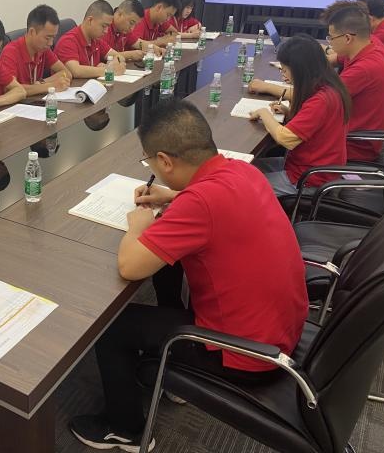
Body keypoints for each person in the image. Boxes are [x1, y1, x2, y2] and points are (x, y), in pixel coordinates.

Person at [69, 100, 307, 452]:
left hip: (246, 354)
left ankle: (126, 429)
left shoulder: (199, 203)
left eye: (149, 162)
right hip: (279, 329)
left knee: (109, 326)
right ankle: (169, 364)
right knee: (170, 262)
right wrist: (172, 196)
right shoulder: (241, 171)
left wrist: (138, 226)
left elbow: (129, 266)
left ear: (165, 161)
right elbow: (208, 205)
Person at [247, 35, 352, 195]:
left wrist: (263, 113)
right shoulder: (327, 86)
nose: (283, 75)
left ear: (300, 70)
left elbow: (285, 139)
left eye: (285, 70)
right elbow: (317, 125)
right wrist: (288, 112)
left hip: (307, 179)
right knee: (244, 168)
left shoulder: (321, 100)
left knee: (241, 186)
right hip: (303, 164)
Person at [318, 0, 384, 161]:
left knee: (287, 131)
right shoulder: (369, 44)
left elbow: (317, 100)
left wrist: (269, 87)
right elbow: (333, 60)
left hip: (350, 146)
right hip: (353, 133)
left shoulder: (364, 69)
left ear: (348, 38)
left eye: (331, 38)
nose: (330, 43)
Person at [0, 4, 72, 96]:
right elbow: (11, 90)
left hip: (35, 100)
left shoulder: (43, 49)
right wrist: (50, 86)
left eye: (53, 37)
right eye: (47, 38)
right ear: (32, 32)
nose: (51, 43)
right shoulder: (10, 52)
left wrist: (42, 82)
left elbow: (66, 73)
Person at [54, 0, 127, 79]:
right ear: (90, 20)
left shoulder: (96, 40)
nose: (106, 31)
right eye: (103, 26)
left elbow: (119, 57)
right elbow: (76, 71)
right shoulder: (68, 41)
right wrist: (108, 70)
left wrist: (110, 64)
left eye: (108, 27)